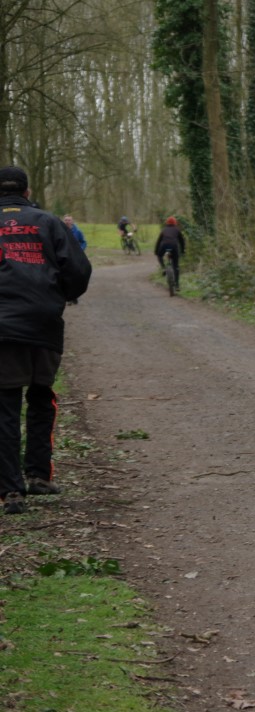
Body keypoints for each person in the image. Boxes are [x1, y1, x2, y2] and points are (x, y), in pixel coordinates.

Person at [0, 166, 92, 514]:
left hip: (2, 325)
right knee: (42, 396)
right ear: (27, 191)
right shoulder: (49, 222)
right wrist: (57, 296)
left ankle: (11, 491)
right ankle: (39, 476)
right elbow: (79, 271)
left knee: (5, 405)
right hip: (43, 322)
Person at [154, 216, 185, 290]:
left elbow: (158, 241)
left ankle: (163, 268)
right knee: (176, 266)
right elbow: (182, 241)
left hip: (164, 246)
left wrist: (156, 251)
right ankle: (177, 285)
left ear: (167, 223)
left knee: (160, 256)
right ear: (175, 223)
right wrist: (183, 250)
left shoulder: (164, 230)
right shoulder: (177, 230)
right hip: (174, 247)